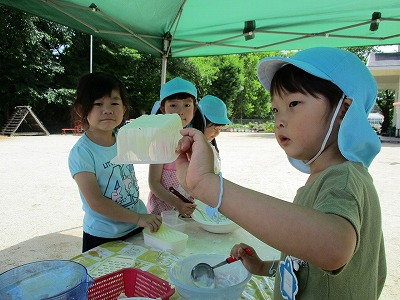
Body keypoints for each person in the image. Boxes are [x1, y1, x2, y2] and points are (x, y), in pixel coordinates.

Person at [175, 47, 386, 299]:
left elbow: (333, 248)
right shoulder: (320, 178)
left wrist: (207, 185)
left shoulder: (344, 178)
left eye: (294, 103)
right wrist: (264, 267)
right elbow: (309, 265)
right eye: (275, 109)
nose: (279, 120)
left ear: (343, 110)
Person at [68, 72, 162, 252]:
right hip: (104, 235)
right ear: (81, 110)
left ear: (124, 108)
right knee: (108, 279)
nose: (108, 110)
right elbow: (96, 202)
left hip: (135, 226)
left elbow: (155, 148)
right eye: (98, 104)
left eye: (114, 103)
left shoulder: (124, 138)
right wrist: (137, 218)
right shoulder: (82, 153)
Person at [147, 77, 204, 216]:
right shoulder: (159, 141)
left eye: (187, 105)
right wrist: (177, 204)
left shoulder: (197, 140)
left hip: (190, 210)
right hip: (163, 212)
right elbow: (154, 183)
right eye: (173, 105)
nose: (181, 111)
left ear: (194, 108)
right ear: (163, 108)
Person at [198, 95, 231, 174]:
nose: (217, 133)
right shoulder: (194, 148)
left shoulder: (210, 146)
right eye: (215, 128)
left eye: (220, 129)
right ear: (201, 122)